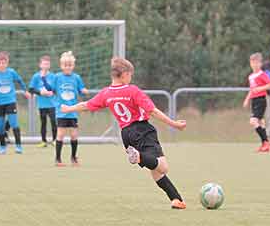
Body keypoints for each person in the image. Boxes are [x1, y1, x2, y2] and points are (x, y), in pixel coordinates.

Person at [61, 57, 187, 209]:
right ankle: (140, 156)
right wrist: (174, 124)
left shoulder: (106, 93)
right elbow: (152, 111)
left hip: (126, 134)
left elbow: (86, 105)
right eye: (130, 74)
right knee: (163, 167)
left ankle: (176, 199)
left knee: (156, 171)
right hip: (142, 130)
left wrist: (69, 109)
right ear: (125, 74)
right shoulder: (132, 91)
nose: (131, 78)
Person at [0, 51, 31, 154]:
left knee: (14, 123)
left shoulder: (11, 72)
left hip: (10, 101)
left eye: (3, 63)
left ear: (7, 63)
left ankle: (18, 146)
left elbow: (20, 80)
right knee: (0, 125)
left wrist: (25, 91)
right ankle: (2, 146)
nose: (1, 65)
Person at [44, 51, 88, 166]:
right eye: (65, 65)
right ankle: (58, 159)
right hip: (61, 111)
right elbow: (51, 89)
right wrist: (44, 82)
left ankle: (73, 157)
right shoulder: (57, 77)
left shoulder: (76, 77)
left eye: (70, 65)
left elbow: (81, 90)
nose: (67, 67)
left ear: (73, 66)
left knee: (74, 135)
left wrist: (84, 91)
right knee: (60, 135)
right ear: (61, 65)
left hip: (73, 111)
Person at [243, 52, 270, 153]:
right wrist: (247, 99)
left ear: (260, 64)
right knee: (261, 122)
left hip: (261, 100)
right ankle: (265, 145)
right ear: (250, 63)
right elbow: (252, 89)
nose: (254, 65)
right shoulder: (251, 76)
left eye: (257, 63)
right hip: (254, 101)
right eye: (252, 63)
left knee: (253, 121)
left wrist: (261, 88)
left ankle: (266, 142)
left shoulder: (262, 74)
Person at [28, 55, 57, 147]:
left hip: (52, 104)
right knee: (43, 123)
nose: (45, 66)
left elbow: (56, 88)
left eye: (47, 64)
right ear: (40, 65)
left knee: (54, 122)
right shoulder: (36, 76)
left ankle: (55, 140)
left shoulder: (53, 76)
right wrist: (40, 92)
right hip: (42, 105)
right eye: (44, 64)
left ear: (49, 65)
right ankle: (43, 141)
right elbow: (31, 89)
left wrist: (52, 92)